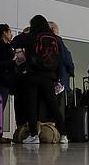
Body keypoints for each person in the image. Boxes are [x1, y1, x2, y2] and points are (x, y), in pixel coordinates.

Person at [22, 15, 68, 144]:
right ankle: (64, 135)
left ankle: (33, 135)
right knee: (53, 106)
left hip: (33, 76)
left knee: (32, 106)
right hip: (48, 77)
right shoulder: (53, 38)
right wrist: (57, 77)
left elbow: (27, 55)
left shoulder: (31, 37)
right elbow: (59, 59)